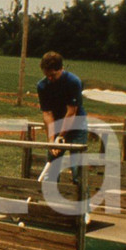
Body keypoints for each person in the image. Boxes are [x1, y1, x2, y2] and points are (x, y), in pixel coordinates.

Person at [36, 51, 88, 186]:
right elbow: (47, 114)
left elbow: (71, 112)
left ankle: (81, 197)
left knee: (77, 169)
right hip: (57, 125)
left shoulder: (73, 82)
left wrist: (61, 137)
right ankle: (50, 196)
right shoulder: (42, 86)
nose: (50, 78)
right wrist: (51, 140)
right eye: (47, 75)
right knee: (52, 166)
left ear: (61, 69)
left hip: (77, 126)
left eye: (53, 75)